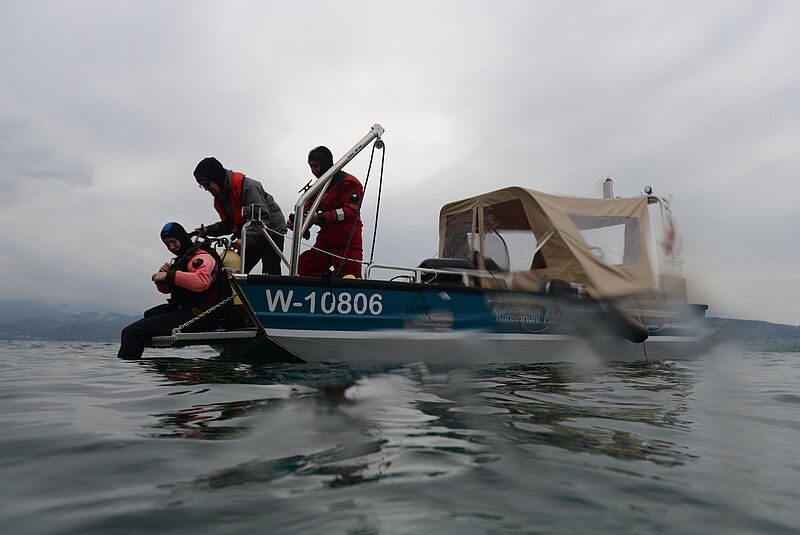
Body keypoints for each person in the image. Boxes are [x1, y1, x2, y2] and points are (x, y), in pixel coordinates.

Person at [117, 222, 231, 360]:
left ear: (181, 238)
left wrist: (169, 275)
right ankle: (133, 367)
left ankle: (128, 370)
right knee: (130, 329)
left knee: (133, 332)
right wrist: (162, 280)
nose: (171, 247)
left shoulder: (201, 257)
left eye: (173, 242)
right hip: (187, 312)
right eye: (167, 244)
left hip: (202, 316)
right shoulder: (183, 259)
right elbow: (167, 290)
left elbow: (202, 282)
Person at [193, 157, 287, 275]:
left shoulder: (249, 187)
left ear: (217, 177)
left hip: (271, 233)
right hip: (249, 236)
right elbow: (230, 225)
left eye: (207, 184)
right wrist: (208, 230)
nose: (206, 189)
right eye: (202, 186)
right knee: (234, 273)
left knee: (270, 274)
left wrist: (245, 240)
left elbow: (262, 219)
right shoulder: (220, 199)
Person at [287, 146, 363, 278]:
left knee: (351, 277)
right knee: (304, 265)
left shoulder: (349, 183)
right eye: (310, 166)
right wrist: (299, 222)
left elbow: (351, 212)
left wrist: (319, 217)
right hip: (326, 239)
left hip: (347, 238)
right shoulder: (318, 188)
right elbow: (308, 208)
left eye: (316, 166)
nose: (313, 170)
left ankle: (336, 280)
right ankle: (328, 282)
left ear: (325, 163)